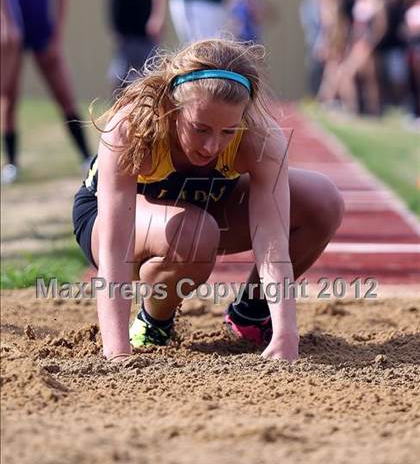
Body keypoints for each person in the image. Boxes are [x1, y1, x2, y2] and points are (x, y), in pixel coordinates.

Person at [72, 38, 344, 363]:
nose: (211, 147)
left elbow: (271, 237)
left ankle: (251, 315)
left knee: (322, 199)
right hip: (117, 222)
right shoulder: (132, 130)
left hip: (208, 203)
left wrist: (287, 332)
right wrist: (117, 352)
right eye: (200, 129)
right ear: (171, 108)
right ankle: (155, 320)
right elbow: (115, 248)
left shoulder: (259, 137)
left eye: (228, 132)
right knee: (196, 234)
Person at [0, 0, 91, 184]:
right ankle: (11, 164)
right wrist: (7, 23)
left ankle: (86, 156)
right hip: (13, 32)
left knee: (64, 93)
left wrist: (57, 37)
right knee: (8, 95)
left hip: (42, 29)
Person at [107, 0, 156, 92]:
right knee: (121, 74)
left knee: (149, 73)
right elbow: (114, 7)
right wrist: (116, 30)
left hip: (145, 37)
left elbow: (153, 5)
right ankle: (116, 104)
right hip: (127, 36)